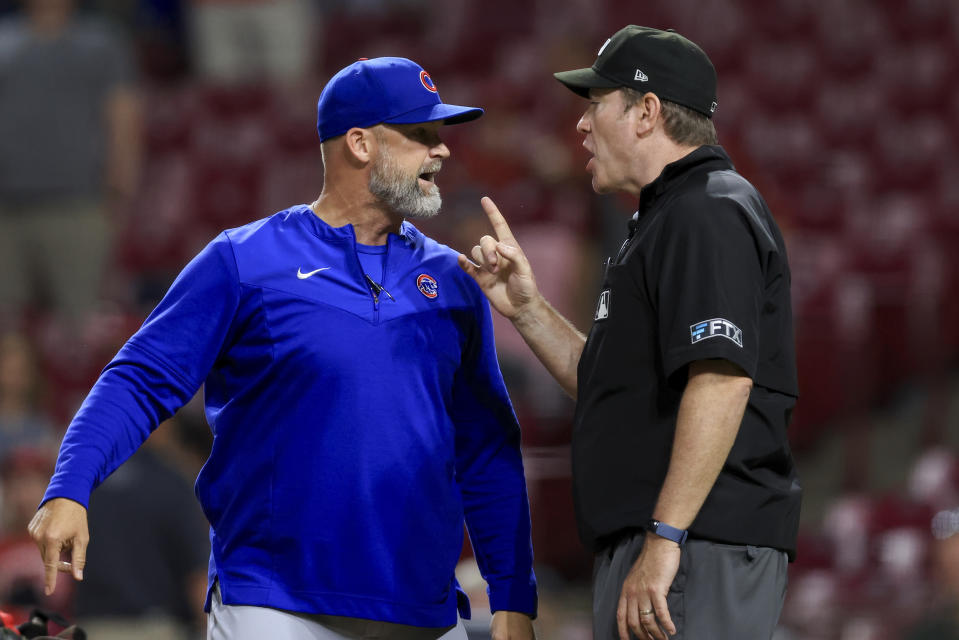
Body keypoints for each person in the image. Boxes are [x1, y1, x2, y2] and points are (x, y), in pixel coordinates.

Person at [28, 56, 537, 640]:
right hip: (275, 604)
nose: (441, 151)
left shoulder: (454, 280)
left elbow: (487, 448)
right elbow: (140, 378)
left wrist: (512, 598)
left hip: (422, 608)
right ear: (360, 143)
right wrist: (70, 486)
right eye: (421, 134)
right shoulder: (245, 260)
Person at [459, 26, 801, 640]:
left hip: (696, 545)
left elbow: (721, 381)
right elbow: (606, 384)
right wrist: (528, 308)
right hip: (664, 544)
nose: (582, 126)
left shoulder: (709, 209)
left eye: (596, 104)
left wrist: (666, 536)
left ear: (646, 112)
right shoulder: (661, 219)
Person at [0, 0, 141, 328]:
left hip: (79, 205)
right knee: (7, 329)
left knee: (80, 326)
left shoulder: (103, 42)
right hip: (6, 209)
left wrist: (120, 190)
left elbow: (123, 116)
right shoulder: (3, 39)